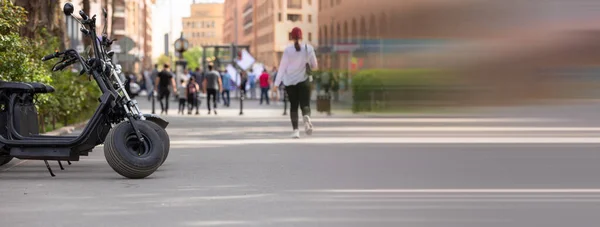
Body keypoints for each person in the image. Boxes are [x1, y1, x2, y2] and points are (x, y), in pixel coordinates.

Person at [274, 27, 318, 139]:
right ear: (302, 36)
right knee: (305, 104)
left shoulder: (288, 50)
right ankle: (307, 117)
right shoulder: (309, 48)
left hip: (290, 83)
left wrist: (276, 84)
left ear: (291, 37)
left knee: (294, 106)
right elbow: (315, 66)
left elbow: (282, 68)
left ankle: (296, 131)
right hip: (304, 81)